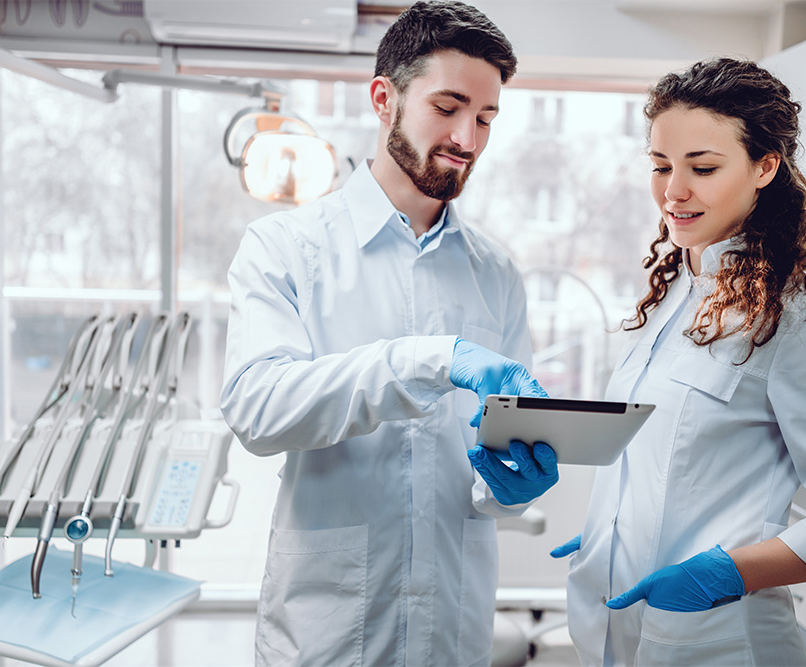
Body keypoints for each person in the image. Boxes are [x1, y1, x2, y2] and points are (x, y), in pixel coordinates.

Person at [219, 2, 559, 665]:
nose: (468, 136)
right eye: (448, 106)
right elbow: (257, 410)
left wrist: (511, 482)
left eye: (486, 118)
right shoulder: (284, 248)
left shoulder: (497, 275)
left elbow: (495, 444)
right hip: (328, 637)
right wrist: (428, 359)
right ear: (385, 98)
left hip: (453, 637)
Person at [551, 57, 806, 665]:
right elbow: (675, 465)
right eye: (661, 166)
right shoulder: (669, 297)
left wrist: (726, 574)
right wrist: (618, 534)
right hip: (613, 628)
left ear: (765, 166)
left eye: (704, 167)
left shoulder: (795, 321)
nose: (674, 191)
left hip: (715, 645)